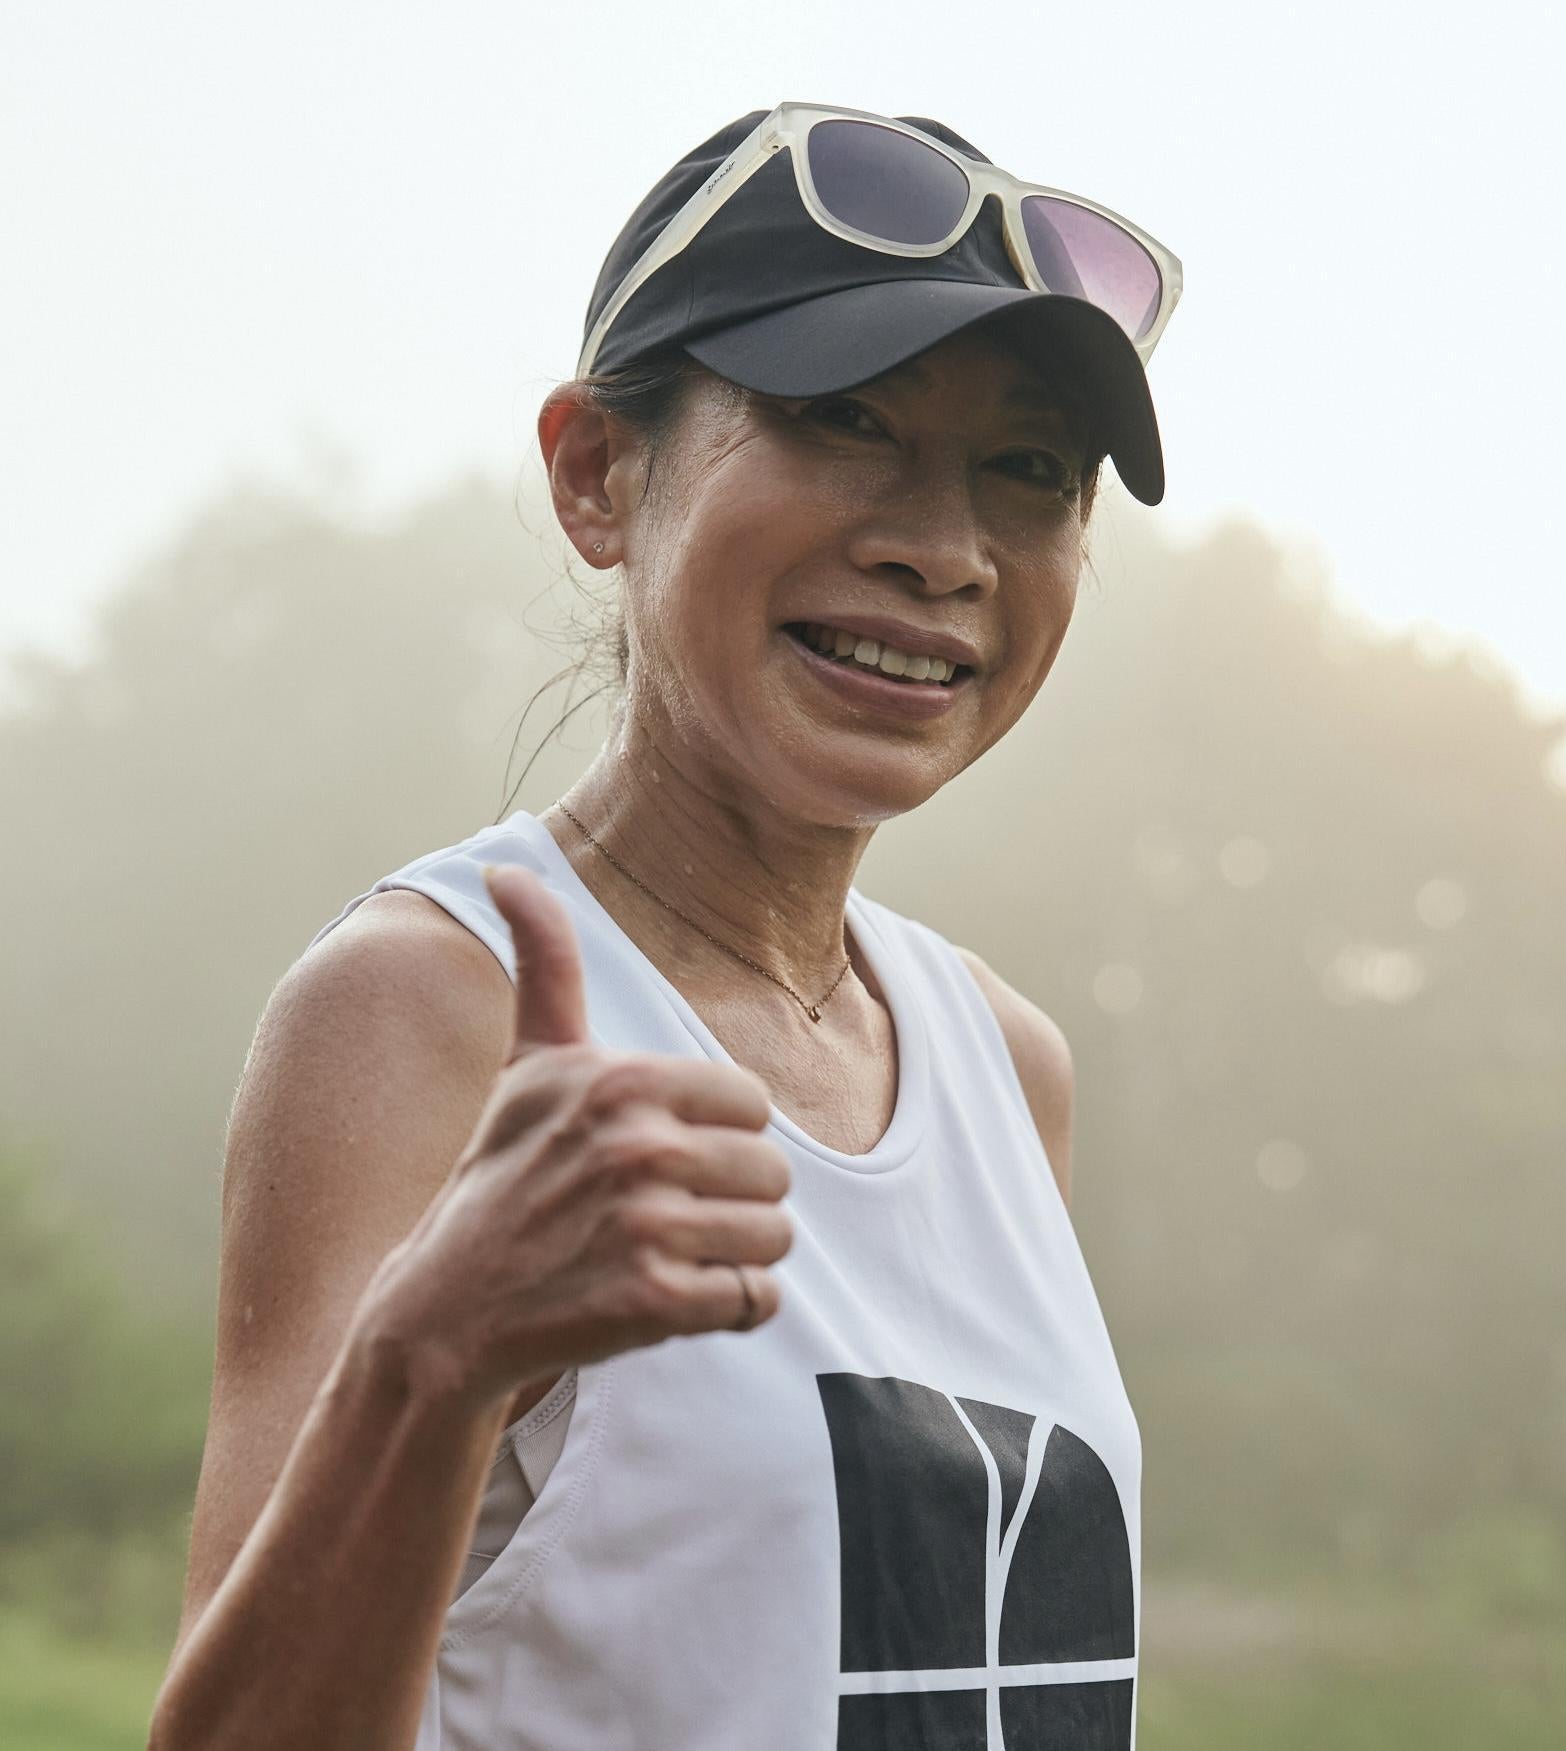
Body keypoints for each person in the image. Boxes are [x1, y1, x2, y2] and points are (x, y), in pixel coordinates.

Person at [147, 101, 1182, 1751]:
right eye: (847, 418)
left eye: (1029, 470)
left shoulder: (1008, 1065)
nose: (942, 546)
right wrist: (436, 1360)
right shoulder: (426, 1008)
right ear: (595, 475)